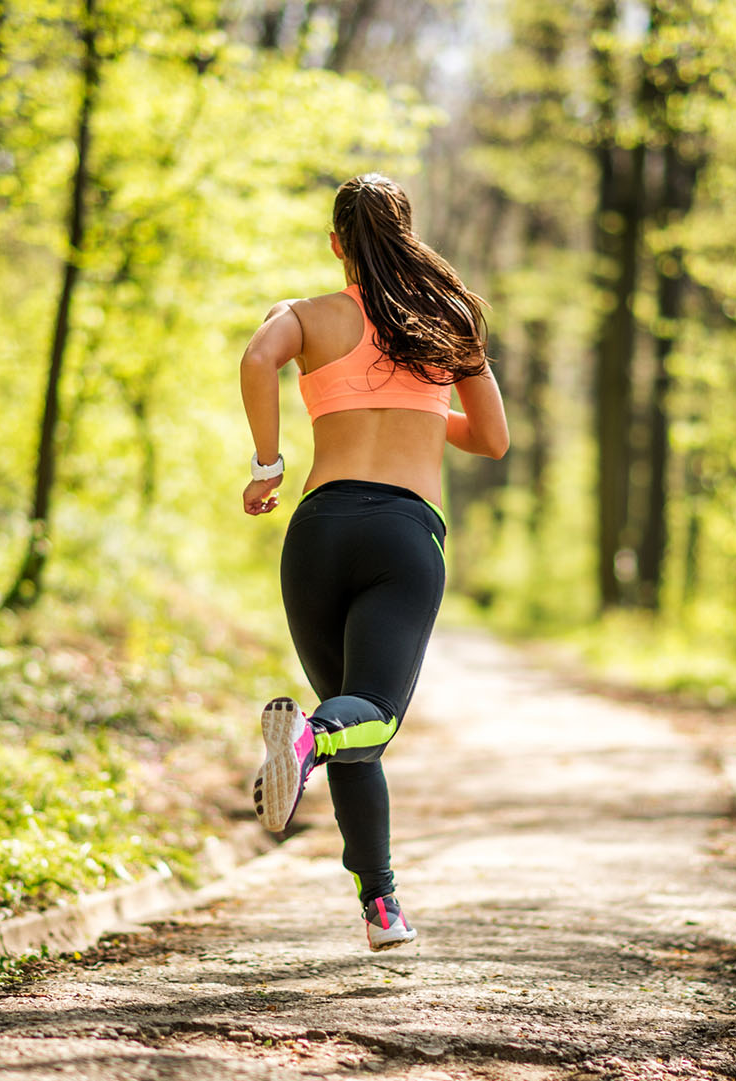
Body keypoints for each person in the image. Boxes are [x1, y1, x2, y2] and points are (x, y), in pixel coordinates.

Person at [236, 173, 510, 951]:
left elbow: (259, 361)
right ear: (406, 234)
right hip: (402, 534)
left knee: (351, 716)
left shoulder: (306, 316)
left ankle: (380, 908)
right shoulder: (448, 320)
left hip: (318, 529)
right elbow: (492, 439)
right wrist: (427, 412)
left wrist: (267, 464)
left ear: (336, 245)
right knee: (368, 718)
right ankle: (306, 743)